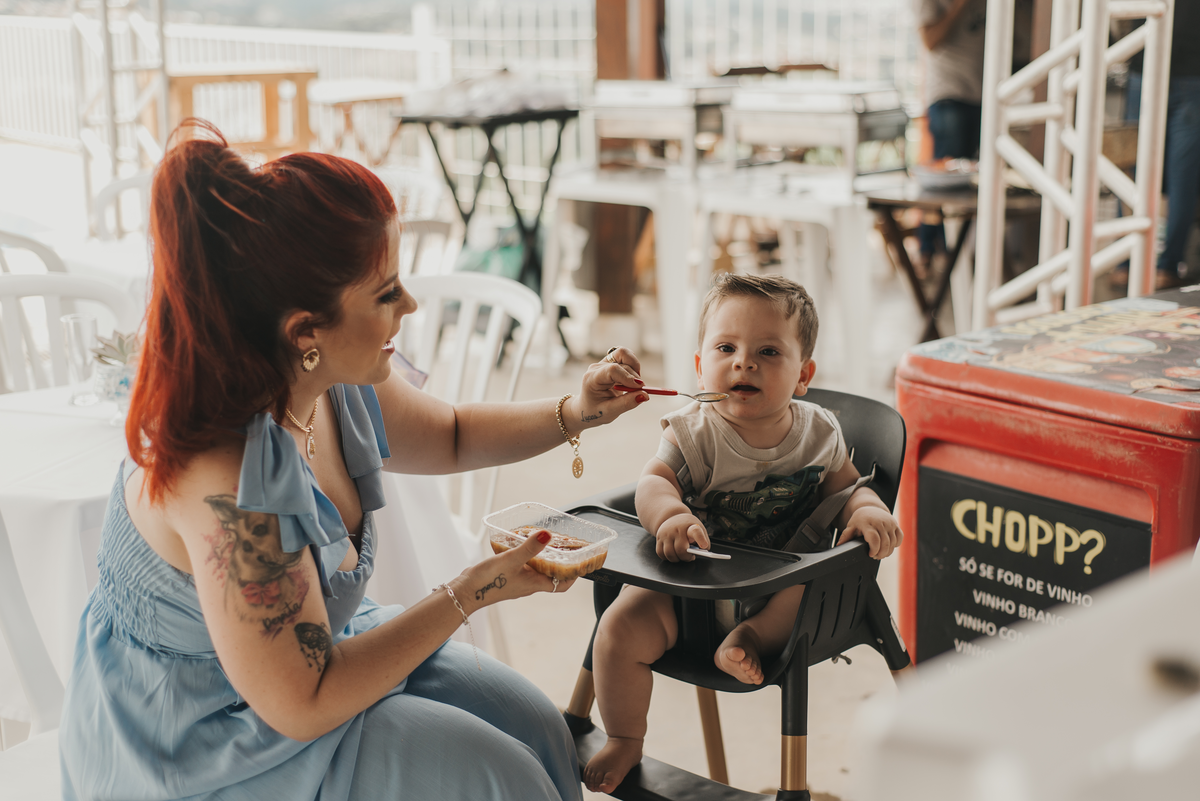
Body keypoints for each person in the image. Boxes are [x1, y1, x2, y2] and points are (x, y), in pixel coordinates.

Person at [58, 120, 652, 801]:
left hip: (309, 654)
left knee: (538, 725)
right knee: (502, 777)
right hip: (203, 730)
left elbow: (453, 433)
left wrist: (576, 410)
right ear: (305, 330)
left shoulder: (332, 379)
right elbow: (304, 698)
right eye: (386, 293)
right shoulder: (227, 475)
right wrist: (472, 588)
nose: (411, 304)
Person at [582, 274, 903, 793]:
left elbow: (849, 488)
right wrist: (669, 517)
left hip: (780, 583)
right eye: (726, 347)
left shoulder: (819, 432)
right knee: (618, 629)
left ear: (804, 374)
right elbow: (653, 482)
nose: (744, 362)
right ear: (699, 365)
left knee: (800, 591)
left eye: (769, 351)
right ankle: (625, 738)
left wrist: (865, 511)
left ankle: (749, 638)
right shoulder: (696, 430)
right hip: (689, 586)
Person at [1122, 2, 1200, 289]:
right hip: (1190, 71)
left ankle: (1126, 262)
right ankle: (1166, 266)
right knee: (1183, 178)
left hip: (1147, 63)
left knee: (1135, 169)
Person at [915, 0, 987, 269]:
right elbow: (929, 40)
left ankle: (956, 255)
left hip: (983, 94)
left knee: (969, 184)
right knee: (942, 183)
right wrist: (959, 6)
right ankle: (927, 250)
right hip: (948, 93)